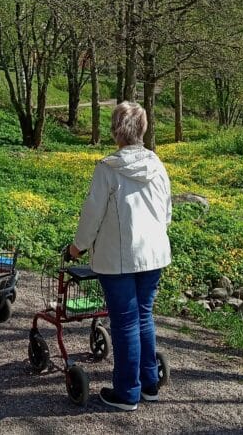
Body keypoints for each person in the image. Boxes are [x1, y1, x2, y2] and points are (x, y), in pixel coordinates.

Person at [69, 102, 172, 411]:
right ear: (143, 129)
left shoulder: (108, 169)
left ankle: (127, 393)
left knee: (125, 322)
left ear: (116, 131)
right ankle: (149, 385)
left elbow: (92, 214)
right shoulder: (157, 165)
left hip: (118, 259)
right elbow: (166, 213)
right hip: (153, 254)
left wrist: (78, 247)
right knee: (144, 317)